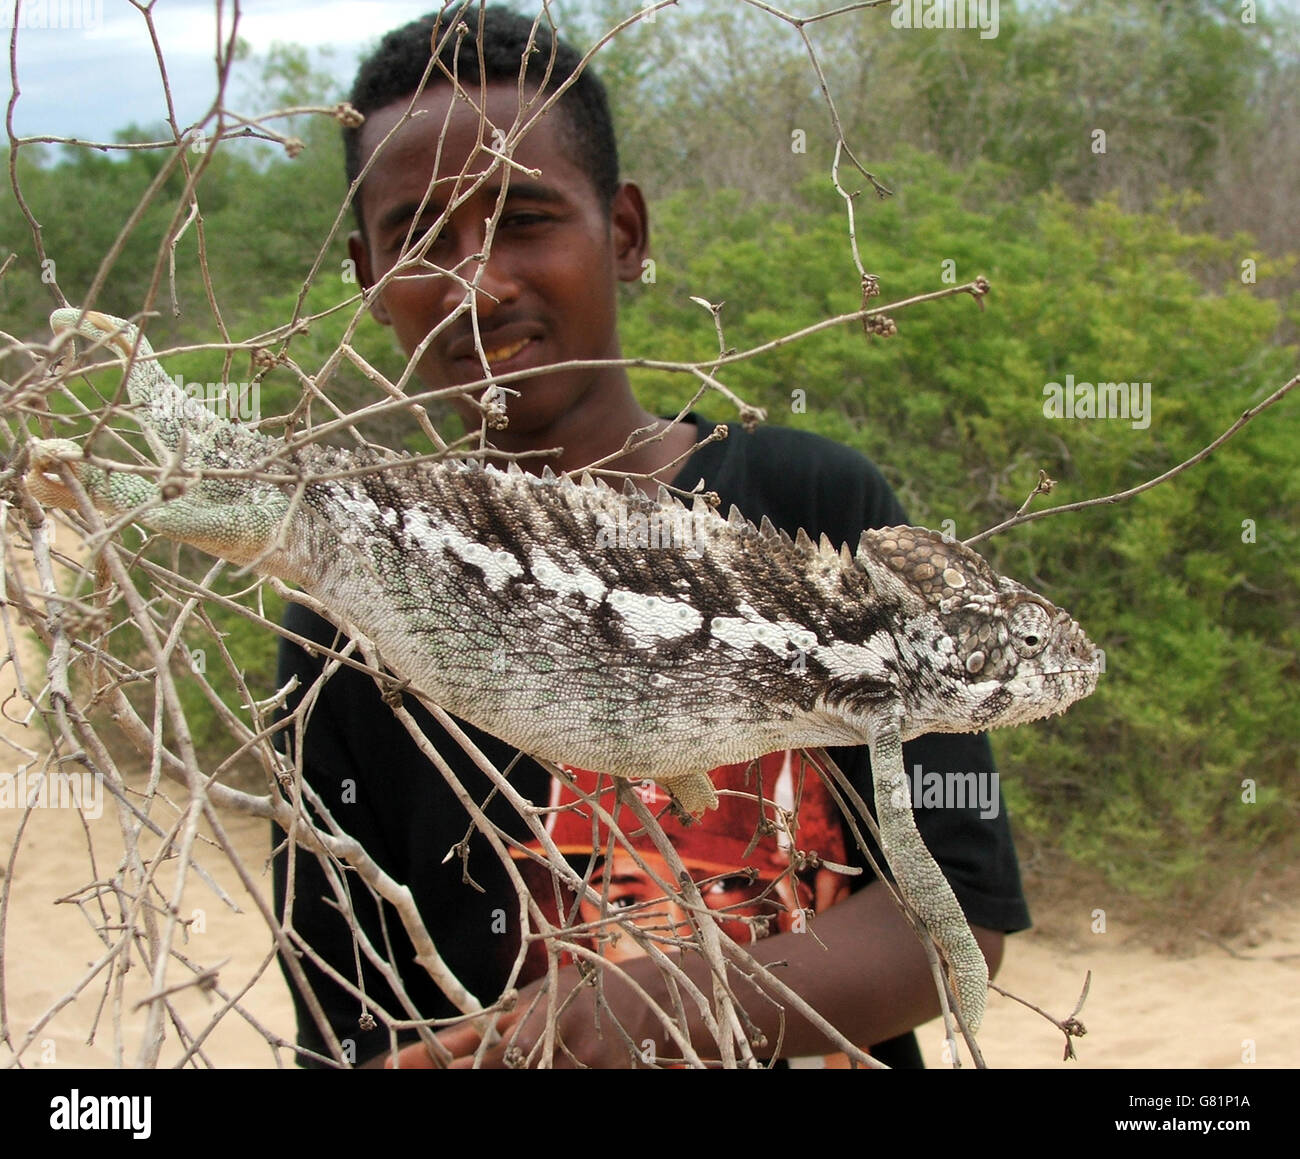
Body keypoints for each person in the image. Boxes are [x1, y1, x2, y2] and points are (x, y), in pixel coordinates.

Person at [273, 4, 1030, 1069]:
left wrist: (672, 1005)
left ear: (623, 233)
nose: (478, 286)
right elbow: (348, 1018)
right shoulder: (348, 605)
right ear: (366, 276)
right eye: (418, 240)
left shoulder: (812, 506)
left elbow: (953, 921)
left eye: (523, 220)